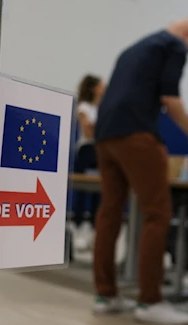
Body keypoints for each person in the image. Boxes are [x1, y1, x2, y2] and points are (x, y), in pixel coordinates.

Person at [92, 19, 188, 325]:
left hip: (105, 136)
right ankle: (150, 301)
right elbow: (170, 99)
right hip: (136, 134)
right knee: (157, 214)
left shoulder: (131, 50)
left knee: (109, 212)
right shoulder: (174, 45)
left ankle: (105, 294)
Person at [72, 75, 105, 250]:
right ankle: (78, 230)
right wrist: (98, 129)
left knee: (98, 194)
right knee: (83, 192)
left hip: (100, 153)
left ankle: (94, 233)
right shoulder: (84, 107)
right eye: (101, 85)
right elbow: (88, 130)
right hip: (86, 152)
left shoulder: (102, 109)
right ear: (93, 88)